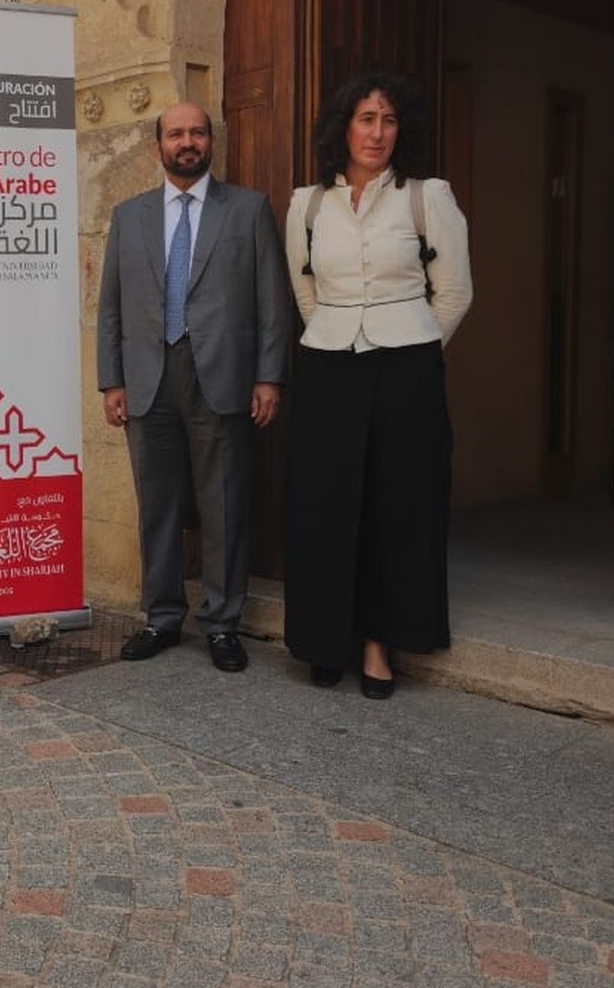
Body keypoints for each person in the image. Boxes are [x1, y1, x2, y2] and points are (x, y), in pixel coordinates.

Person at [282, 72, 473, 698]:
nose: (377, 132)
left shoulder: (428, 197)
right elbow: (305, 291)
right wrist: (342, 340)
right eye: (366, 119)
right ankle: (325, 641)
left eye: (388, 121)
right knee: (327, 509)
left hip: (406, 371)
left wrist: (413, 347)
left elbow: (454, 294)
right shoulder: (307, 205)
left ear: (401, 130)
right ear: (344, 127)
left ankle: (377, 646)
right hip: (328, 368)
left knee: (398, 510)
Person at [95, 102, 292, 672]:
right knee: (157, 503)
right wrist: (112, 380)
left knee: (223, 502)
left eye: (197, 133)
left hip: (223, 377)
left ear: (212, 143)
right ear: (157, 147)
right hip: (148, 379)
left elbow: (271, 302)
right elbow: (111, 307)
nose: (188, 142)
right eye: (176, 133)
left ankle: (223, 623)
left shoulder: (249, 210)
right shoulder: (128, 217)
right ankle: (160, 616)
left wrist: (268, 375)